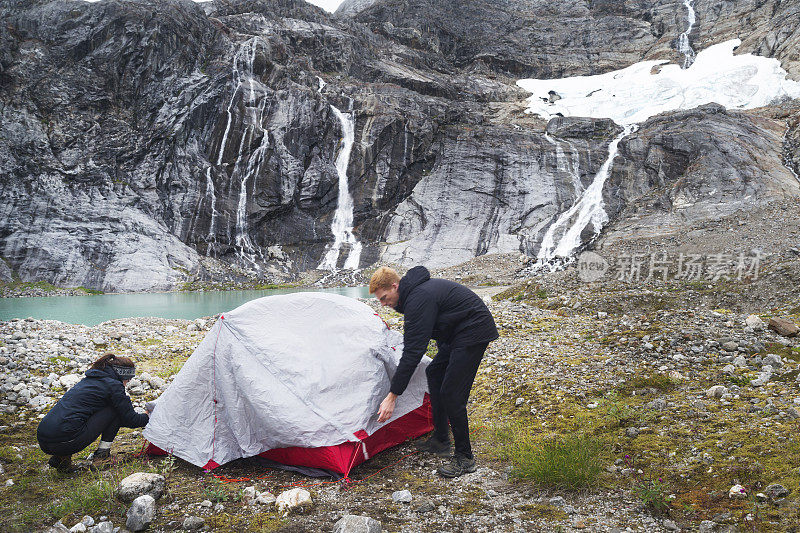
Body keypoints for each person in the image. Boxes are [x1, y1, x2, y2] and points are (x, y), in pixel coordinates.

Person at [370, 265, 498, 478]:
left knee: (452, 394)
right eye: (380, 301)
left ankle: (465, 458)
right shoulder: (414, 295)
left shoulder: (417, 299)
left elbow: (413, 352)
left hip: (473, 330)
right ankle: (440, 440)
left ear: (394, 286)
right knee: (435, 373)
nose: (383, 304)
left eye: (384, 298)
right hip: (455, 333)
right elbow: (440, 322)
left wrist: (393, 396)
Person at [37, 353, 150, 472]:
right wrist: (148, 415)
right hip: (65, 442)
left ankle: (61, 459)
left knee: (76, 418)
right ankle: (101, 456)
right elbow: (130, 419)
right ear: (123, 376)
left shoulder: (89, 381)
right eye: (128, 380)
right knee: (114, 411)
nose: (127, 384)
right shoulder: (114, 386)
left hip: (44, 439)